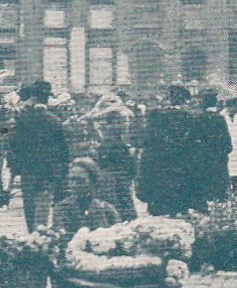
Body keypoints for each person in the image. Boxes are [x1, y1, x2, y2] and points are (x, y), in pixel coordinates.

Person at [5, 81, 70, 232]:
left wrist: (4, 125)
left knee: (30, 202)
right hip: (49, 167)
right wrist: (63, 166)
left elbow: (6, 135)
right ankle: (44, 233)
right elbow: (63, 146)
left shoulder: (19, 115)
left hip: (28, 166)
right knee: (48, 201)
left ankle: (33, 233)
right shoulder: (54, 119)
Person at [137, 85, 204, 217]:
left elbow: (147, 141)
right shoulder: (191, 118)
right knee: (180, 205)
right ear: (185, 100)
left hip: (161, 167)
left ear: (169, 98)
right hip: (183, 166)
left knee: (162, 204)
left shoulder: (156, 116)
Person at [50, 157, 124, 243]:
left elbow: (119, 237)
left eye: (80, 181)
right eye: (71, 180)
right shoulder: (61, 208)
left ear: (93, 182)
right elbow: (62, 240)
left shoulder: (107, 209)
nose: (73, 185)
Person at [89, 100, 138, 217]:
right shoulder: (110, 142)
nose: (126, 125)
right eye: (121, 122)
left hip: (122, 184)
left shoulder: (116, 139)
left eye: (126, 122)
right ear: (110, 123)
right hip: (117, 186)